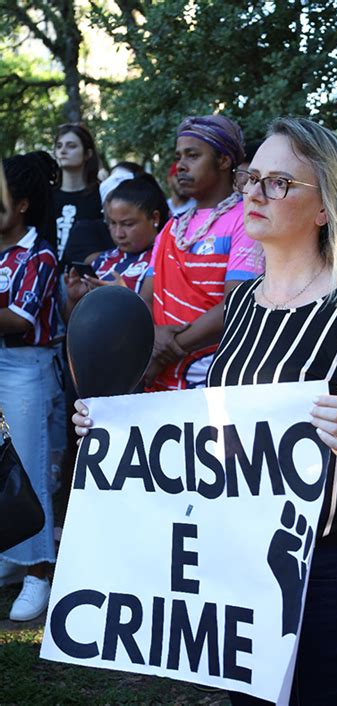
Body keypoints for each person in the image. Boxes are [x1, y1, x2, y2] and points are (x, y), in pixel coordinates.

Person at [74, 116, 337, 705]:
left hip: (327, 577)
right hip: (237, 570)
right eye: (251, 178)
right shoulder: (243, 303)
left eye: (278, 183)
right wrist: (115, 432)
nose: (253, 193)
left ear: (323, 208)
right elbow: (220, 437)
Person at [142, 114, 264, 392]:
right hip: (160, 373)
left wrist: (168, 348)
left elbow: (237, 305)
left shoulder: (246, 220)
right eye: (178, 156)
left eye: (192, 155)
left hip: (213, 374)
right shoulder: (172, 226)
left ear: (223, 161)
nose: (180, 166)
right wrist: (152, 339)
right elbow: (147, 298)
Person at [0, 152, 63, 620]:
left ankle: (40, 570)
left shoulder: (39, 254)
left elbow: (21, 320)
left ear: (21, 204)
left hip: (26, 366)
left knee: (30, 464)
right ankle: (10, 559)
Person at [64, 175, 169, 317]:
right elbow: (72, 325)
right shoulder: (102, 260)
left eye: (128, 224)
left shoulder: (168, 260)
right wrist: (74, 299)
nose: (119, 234)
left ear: (154, 218)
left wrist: (125, 299)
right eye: (112, 223)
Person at [53, 123, 102, 265]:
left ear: (88, 154)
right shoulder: (47, 197)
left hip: (85, 279)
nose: (62, 151)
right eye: (59, 146)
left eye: (71, 146)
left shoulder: (100, 196)